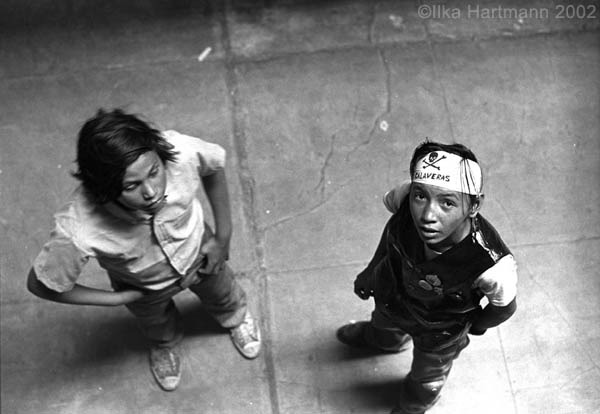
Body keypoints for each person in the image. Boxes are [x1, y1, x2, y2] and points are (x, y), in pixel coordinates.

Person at [27, 108, 261, 391]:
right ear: (104, 188)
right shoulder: (79, 226)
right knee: (155, 323)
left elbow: (213, 166)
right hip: (142, 286)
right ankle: (165, 344)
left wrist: (223, 238)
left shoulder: (178, 151)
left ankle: (235, 317)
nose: (151, 191)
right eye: (132, 186)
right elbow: (42, 285)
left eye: (154, 172)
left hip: (201, 253)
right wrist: (117, 299)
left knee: (225, 293)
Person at [336, 141, 518, 414]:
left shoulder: (493, 265)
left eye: (447, 203)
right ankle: (383, 341)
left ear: (474, 205)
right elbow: (391, 236)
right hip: (394, 297)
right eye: (421, 196)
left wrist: (473, 327)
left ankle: (415, 404)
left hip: (440, 329)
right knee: (384, 325)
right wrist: (371, 272)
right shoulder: (403, 197)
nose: (428, 215)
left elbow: (505, 308)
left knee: (428, 374)